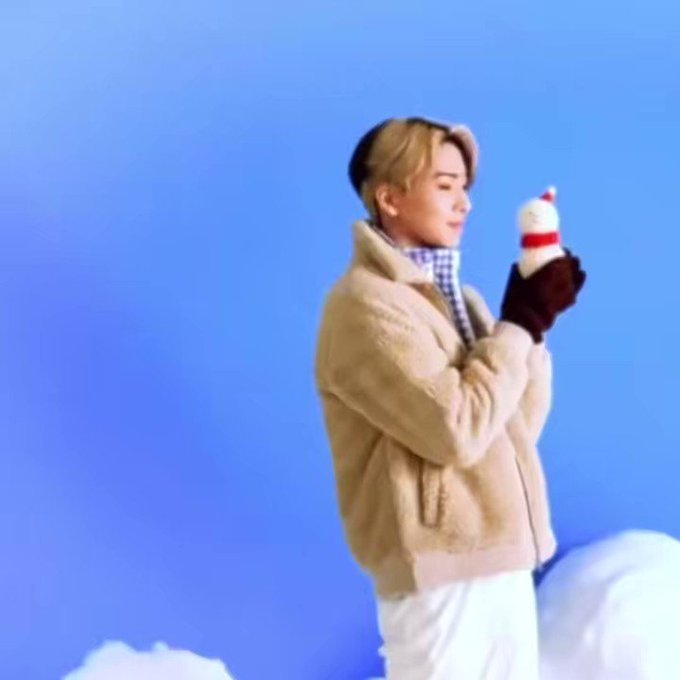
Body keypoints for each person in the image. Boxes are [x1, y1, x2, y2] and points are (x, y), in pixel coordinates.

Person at [313, 116, 586, 679]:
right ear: (389, 198)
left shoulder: (463, 300)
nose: (464, 202)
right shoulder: (364, 307)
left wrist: (534, 325)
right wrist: (520, 321)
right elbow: (454, 430)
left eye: (465, 186)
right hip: (436, 568)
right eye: (444, 185)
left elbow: (513, 428)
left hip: (503, 556)